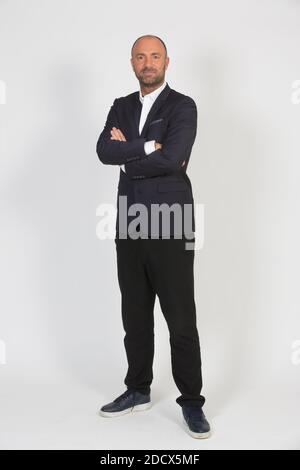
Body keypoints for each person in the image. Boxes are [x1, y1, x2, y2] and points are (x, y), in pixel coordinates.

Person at [96, 34, 211, 439]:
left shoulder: (182, 106)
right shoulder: (121, 106)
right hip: (129, 221)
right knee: (135, 312)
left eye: (155, 56)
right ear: (132, 62)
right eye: (141, 57)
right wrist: (147, 146)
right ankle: (137, 388)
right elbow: (103, 151)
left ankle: (192, 403)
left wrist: (130, 159)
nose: (148, 63)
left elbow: (174, 157)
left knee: (180, 317)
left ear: (167, 61)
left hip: (171, 219)